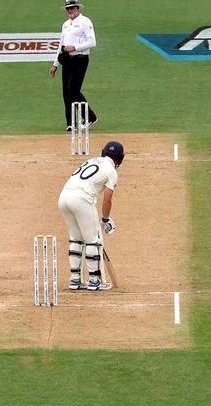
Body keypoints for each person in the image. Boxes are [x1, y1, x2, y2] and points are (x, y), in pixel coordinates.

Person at [58, 141, 123, 291]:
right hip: (82, 200)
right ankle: (94, 281)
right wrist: (106, 220)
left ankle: (75, 280)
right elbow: (107, 199)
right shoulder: (112, 171)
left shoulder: (91, 160)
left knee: (76, 238)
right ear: (119, 158)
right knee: (93, 240)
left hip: (63, 197)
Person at [49, 0, 98, 131]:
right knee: (66, 91)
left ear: (77, 8)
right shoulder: (65, 24)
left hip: (80, 58)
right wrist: (55, 64)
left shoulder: (85, 22)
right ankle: (70, 123)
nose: (70, 11)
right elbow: (61, 45)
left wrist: (75, 47)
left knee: (74, 90)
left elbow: (92, 42)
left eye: (72, 8)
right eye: (68, 9)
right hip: (67, 59)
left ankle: (91, 118)